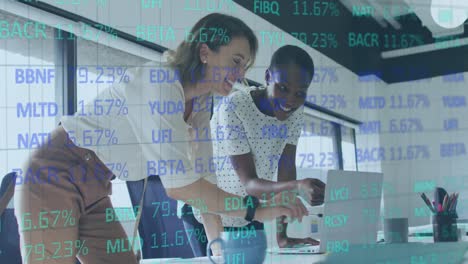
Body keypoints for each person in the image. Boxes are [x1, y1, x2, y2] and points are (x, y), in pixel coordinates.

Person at [1, 13, 308, 264]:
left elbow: (204, 176)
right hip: (54, 172)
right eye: (236, 61)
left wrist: (218, 249)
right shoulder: (159, 82)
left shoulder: (200, 103)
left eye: (245, 67)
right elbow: (180, 185)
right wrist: (256, 210)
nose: (240, 74)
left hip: (95, 186)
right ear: (204, 52)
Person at [182, 45, 326, 256]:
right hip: (208, 211)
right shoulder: (235, 107)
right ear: (268, 77)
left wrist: (282, 237)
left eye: (300, 93)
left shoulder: (295, 113)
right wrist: (297, 186)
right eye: (283, 88)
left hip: (249, 210)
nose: (290, 101)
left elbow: (286, 171)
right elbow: (249, 182)